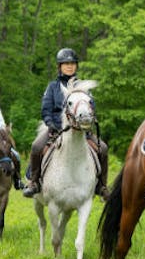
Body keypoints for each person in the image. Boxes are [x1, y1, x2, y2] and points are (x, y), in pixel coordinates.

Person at [22, 48, 109, 200]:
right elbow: (46, 110)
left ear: (76, 66)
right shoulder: (52, 87)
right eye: (65, 63)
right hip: (55, 129)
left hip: (81, 130)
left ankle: (101, 186)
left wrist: (88, 122)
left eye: (72, 63)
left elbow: (91, 107)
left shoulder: (83, 87)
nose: (69, 66)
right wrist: (50, 124)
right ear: (59, 66)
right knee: (36, 146)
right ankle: (34, 182)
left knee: (103, 148)